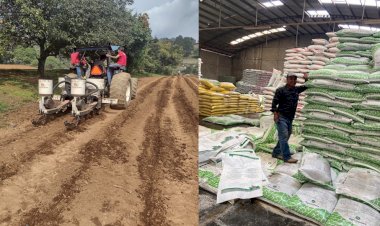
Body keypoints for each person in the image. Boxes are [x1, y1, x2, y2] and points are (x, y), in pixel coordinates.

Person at [270, 73, 308, 163]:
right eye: (291, 79)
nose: (293, 81)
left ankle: (276, 152)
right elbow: (274, 103)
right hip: (281, 116)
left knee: (287, 135)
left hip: (290, 117)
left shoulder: (296, 90)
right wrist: (275, 114)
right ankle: (286, 157)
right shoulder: (281, 90)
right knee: (284, 135)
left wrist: (306, 79)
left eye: (294, 79)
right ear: (287, 80)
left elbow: (306, 86)